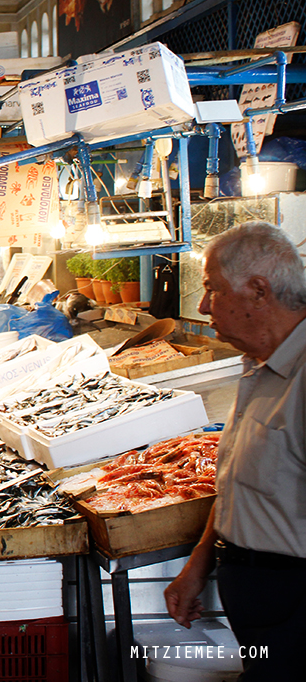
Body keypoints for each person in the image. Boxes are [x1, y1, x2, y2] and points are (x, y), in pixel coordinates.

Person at [163, 222, 306, 681]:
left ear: (259, 291)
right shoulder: (257, 365)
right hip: (257, 601)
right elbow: (240, 483)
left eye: (212, 289)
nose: (203, 306)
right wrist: (200, 562)